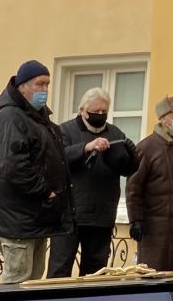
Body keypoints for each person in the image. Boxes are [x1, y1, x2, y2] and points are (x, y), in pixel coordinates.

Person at [0, 60, 70, 284]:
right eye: (39, 84)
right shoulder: (11, 118)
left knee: (33, 283)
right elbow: (13, 166)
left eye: (47, 85)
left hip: (35, 217)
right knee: (16, 282)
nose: (44, 90)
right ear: (23, 86)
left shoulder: (37, 119)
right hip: (19, 218)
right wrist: (45, 191)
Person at [47, 87, 139, 278]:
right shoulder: (64, 130)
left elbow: (128, 169)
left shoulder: (115, 133)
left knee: (96, 273)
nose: (99, 115)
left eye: (103, 112)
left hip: (101, 216)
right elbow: (57, 160)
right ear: (82, 110)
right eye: (95, 112)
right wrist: (86, 148)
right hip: (69, 216)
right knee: (60, 270)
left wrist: (129, 155)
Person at [125, 95, 173, 273]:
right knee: (156, 278)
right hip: (156, 231)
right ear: (163, 117)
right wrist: (136, 220)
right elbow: (133, 188)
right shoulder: (146, 148)